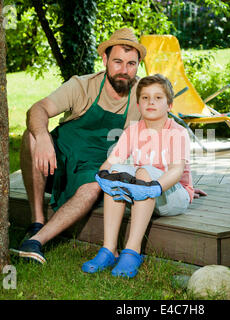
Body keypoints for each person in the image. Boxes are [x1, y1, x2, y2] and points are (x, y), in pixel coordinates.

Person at [11, 28, 147, 264]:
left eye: (131, 64)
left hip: (93, 164)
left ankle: (35, 242)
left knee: (96, 185)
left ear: (138, 66)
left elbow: (168, 132)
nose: (124, 70)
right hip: (58, 158)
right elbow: (38, 109)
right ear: (104, 60)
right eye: (117, 62)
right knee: (31, 136)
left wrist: (182, 181)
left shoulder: (142, 96)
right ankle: (37, 221)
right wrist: (43, 138)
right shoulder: (82, 86)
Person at [81, 74, 193, 278]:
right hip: (143, 196)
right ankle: (109, 249)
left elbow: (176, 171)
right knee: (116, 173)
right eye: (145, 98)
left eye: (158, 98)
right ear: (138, 104)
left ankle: (132, 251)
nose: (151, 102)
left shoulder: (177, 133)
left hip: (171, 196)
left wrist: (155, 186)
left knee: (145, 170)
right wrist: (102, 176)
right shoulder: (132, 131)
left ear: (169, 105)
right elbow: (111, 162)